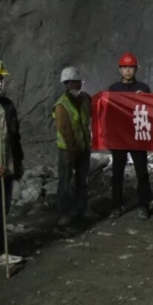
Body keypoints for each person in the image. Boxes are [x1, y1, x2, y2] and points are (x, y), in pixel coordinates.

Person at [107, 53, 152, 221]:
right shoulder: (113, 89)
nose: (127, 71)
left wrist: (144, 99)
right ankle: (116, 205)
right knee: (117, 173)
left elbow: (152, 111)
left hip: (137, 135)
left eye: (131, 67)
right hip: (119, 136)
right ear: (120, 70)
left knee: (142, 172)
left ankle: (144, 205)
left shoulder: (143, 88)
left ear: (136, 69)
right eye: (125, 68)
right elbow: (108, 114)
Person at [53, 66, 93, 227]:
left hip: (83, 147)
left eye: (79, 81)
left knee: (82, 180)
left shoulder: (85, 99)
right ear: (67, 84)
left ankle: (82, 208)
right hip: (67, 149)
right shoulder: (61, 105)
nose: (79, 84)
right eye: (75, 82)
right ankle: (64, 213)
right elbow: (64, 129)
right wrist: (72, 149)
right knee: (65, 182)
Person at [0, 60, 24, 265]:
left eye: (1, 79)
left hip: (7, 166)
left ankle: (1, 250)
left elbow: (15, 137)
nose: (0, 83)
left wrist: (18, 162)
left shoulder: (8, 106)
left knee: (4, 208)